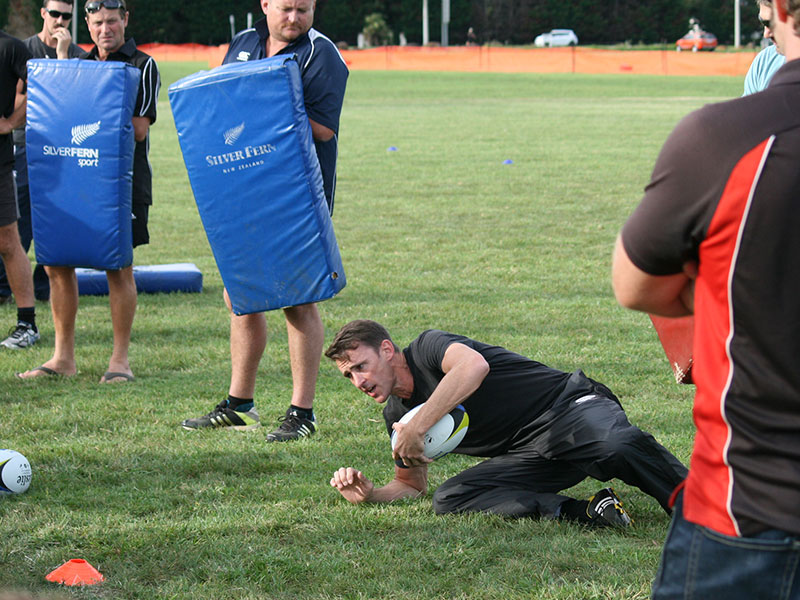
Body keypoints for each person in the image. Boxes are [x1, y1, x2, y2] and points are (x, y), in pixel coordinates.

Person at [612, 0, 800, 595]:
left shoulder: (723, 137)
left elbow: (636, 286)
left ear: (774, 11)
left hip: (749, 509)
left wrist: (732, 277)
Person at [326, 320, 688, 527]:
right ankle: (586, 511)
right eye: (349, 376)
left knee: (617, 445)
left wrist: (420, 424)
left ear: (387, 350)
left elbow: (473, 367)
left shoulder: (428, 348)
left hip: (568, 409)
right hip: (533, 456)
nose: (359, 381)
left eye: (361, 366)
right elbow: (411, 485)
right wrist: (371, 494)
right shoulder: (397, 417)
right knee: (451, 498)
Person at [181, 0, 348, 442]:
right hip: (242, 187)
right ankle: (240, 404)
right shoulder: (243, 43)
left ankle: (302, 411)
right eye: (286, 8)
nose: (294, 18)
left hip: (294, 197)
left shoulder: (321, 54)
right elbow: (220, 105)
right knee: (242, 293)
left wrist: (262, 110)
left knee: (297, 298)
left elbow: (323, 129)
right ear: (266, 5)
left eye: (304, 9)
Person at [17, 0, 159, 382]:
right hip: (73, 177)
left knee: (118, 267)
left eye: (112, 21)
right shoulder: (77, 63)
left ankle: (120, 361)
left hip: (123, 184)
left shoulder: (142, 65)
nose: (105, 29)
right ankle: (63, 358)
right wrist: (64, 59)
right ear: (88, 23)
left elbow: (139, 129)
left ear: (125, 20)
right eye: (97, 23)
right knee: (57, 264)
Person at [0, 0, 86, 307]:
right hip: (25, 146)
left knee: (58, 220)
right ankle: (3, 287)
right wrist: (10, 123)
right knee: (16, 224)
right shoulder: (24, 48)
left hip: (63, 149)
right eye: (55, 14)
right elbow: (19, 95)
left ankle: (43, 284)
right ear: (43, 14)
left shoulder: (77, 55)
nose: (60, 20)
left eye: (66, 16)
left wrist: (62, 57)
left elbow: (76, 102)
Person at [0, 31, 40, 350]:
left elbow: (42, 87)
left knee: (8, 241)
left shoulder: (10, 47)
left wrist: (11, 121)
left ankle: (27, 324)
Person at [743, 0, 786, 95]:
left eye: (770, 23)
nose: (766, 34)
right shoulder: (764, 61)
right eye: (763, 23)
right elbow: (751, 108)